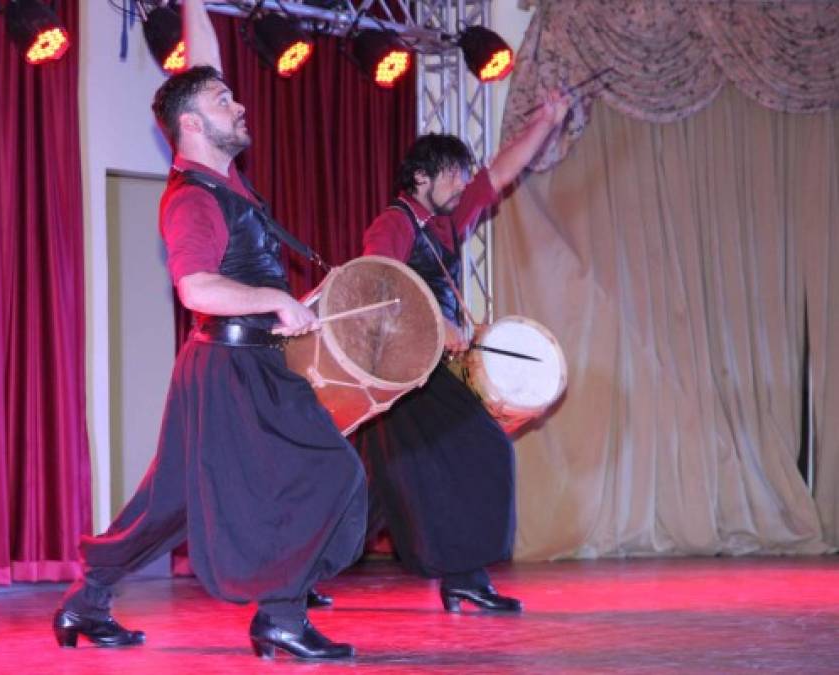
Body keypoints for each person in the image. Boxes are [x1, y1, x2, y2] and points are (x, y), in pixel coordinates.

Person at [53, 0, 366, 660]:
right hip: (226, 370)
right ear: (191, 124)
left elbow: (204, 65)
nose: (240, 106)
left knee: (173, 502)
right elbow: (194, 287)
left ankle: (86, 601)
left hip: (246, 364)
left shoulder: (220, 179)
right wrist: (272, 299)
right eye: (225, 101)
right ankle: (280, 615)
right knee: (328, 470)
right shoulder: (192, 199)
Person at [355, 94, 569, 613]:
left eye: (461, 174)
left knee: (379, 490)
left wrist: (545, 121)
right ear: (420, 180)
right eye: (451, 175)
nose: (461, 183)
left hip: (431, 370)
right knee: (482, 451)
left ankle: (460, 579)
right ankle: (464, 578)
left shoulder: (447, 221)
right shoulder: (395, 223)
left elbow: (499, 173)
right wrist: (439, 320)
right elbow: (376, 285)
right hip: (405, 371)